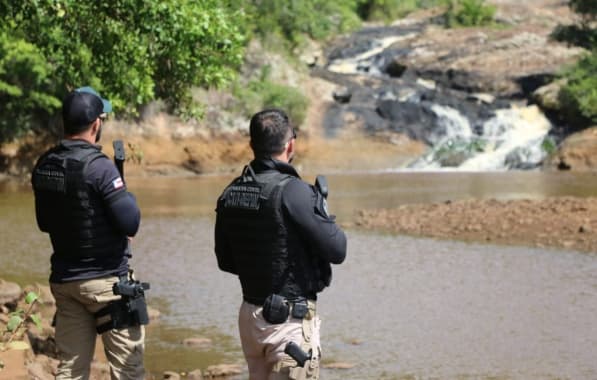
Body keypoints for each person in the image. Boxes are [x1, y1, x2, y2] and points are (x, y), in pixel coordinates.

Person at [215, 108, 347, 379]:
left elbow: (225, 260)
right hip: (289, 323)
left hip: (251, 318)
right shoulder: (294, 191)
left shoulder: (233, 190)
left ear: (252, 145)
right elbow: (338, 249)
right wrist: (322, 211)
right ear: (291, 145)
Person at [31, 87, 145, 379]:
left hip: (66, 283)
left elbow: (45, 223)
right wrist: (122, 189)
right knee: (127, 371)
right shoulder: (101, 169)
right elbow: (130, 223)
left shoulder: (45, 165)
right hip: (107, 285)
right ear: (96, 124)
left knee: (70, 370)